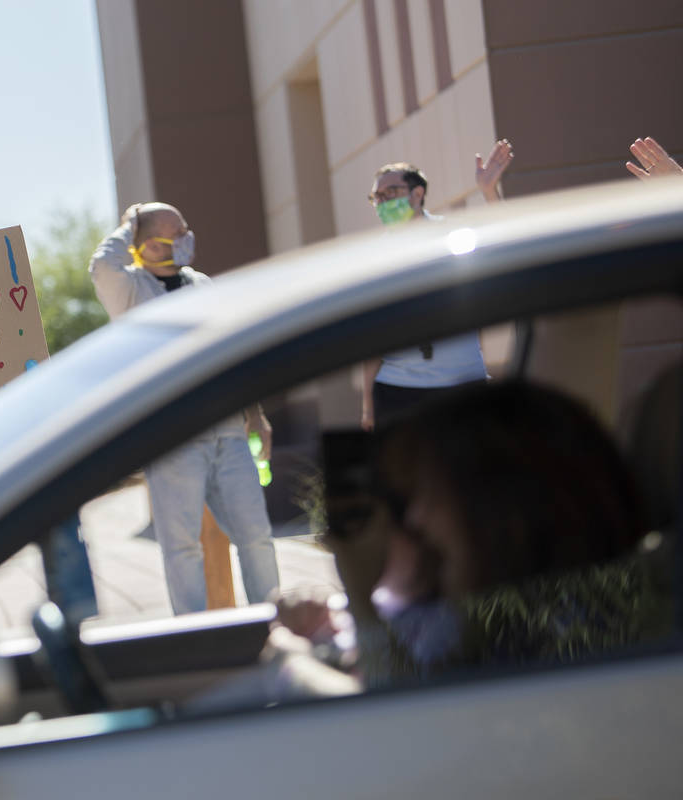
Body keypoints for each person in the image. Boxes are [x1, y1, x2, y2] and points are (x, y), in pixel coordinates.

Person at [293, 381, 670, 690]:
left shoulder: (572, 619)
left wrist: (293, 665)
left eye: (426, 493)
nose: (416, 517)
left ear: (498, 505)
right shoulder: (521, 607)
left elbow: (411, 729)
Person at [88, 202, 280, 614]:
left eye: (184, 230)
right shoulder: (129, 291)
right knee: (181, 548)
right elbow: (103, 264)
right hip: (174, 439)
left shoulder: (203, 285)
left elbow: (234, 355)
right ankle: (194, 636)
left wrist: (255, 415)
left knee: (257, 536)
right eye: (170, 235)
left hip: (228, 433)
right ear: (144, 245)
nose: (182, 240)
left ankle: (276, 620)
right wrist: (129, 225)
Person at [360, 141, 514, 430]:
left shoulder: (452, 237)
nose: (382, 202)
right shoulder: (374, 257)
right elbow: (370, 338)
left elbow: (505, 246)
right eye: (377, 197)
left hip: (462, 385)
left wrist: (489, 191)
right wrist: (368, 405)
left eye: (390, 193)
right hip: (397, 389)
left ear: (417, 194)